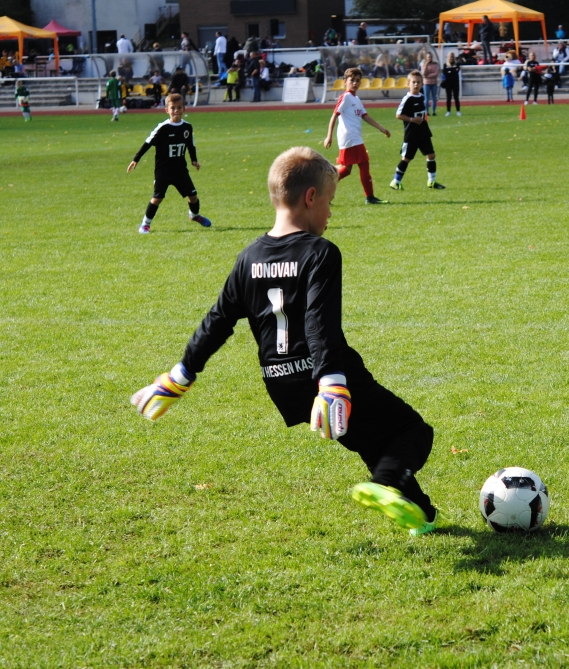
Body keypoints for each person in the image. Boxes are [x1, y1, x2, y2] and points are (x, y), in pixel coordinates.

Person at [130, 146, 442, 535]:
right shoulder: (320, 253)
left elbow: (218, 320)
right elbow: (318, 321)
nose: (330, 213)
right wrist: (331, 381)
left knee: (372, 439)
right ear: (311, 197)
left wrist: (181, 374)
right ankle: (385, 483)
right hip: (326, 377)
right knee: (413, 431)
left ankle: (423, 515)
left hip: (282, 382)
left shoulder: (249, 257)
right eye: (329, 202)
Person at [127, 94, 210, 234]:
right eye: (173, 108)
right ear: (167, 110)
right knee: (157, 198)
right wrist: (136, 159)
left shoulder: (187, 127)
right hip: (163, 170)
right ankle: (145, 224)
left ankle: (194, 216)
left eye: (179, 107)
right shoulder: (163, 128)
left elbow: (190, 145)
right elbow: (148, 143)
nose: (176, 110)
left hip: (180, 170)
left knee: (193, 196)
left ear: (184, 109)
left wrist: (194, 160)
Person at [322, 68, 391, 205]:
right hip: (350, 138)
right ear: (345, 82)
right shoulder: (346, 97)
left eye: (358, 80)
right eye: (352, 80)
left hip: (354, 138)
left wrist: (381, 128)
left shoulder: (356, 99)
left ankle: (323, 190)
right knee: (363, 163)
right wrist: (329, 136)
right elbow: (334, 115)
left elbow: (365, 116)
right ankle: (369, 197)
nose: (355, 83)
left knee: (347, 170)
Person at [390, 71, 445, 191]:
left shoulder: (422, 96)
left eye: (418, 82)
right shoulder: (407, 99)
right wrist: (412, 119)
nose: (416, 84)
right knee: (406, 158)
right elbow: (398, 115)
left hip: (423, 132)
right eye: (413, 82)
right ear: (408, 84)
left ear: (422, 84)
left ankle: (431, 181)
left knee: (431, 155)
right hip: (412, 134)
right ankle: (395, 181)